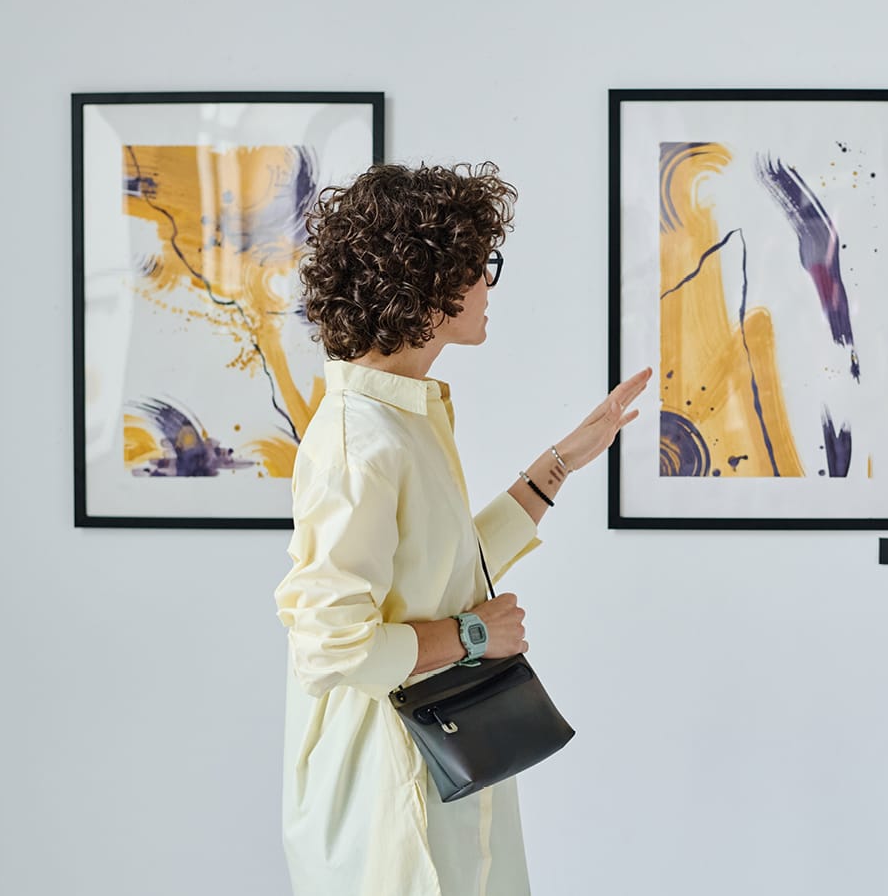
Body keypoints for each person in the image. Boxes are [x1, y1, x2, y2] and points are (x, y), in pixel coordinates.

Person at [273, 162, 651, 896]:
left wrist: (560, 463)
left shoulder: (401, 417)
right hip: (391, 808)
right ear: (425, 281)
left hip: (438, 775)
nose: (487, 285)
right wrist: (476, 637)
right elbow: (327, 646)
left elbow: (447, 568)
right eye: (481, 265)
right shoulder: (362, 441)